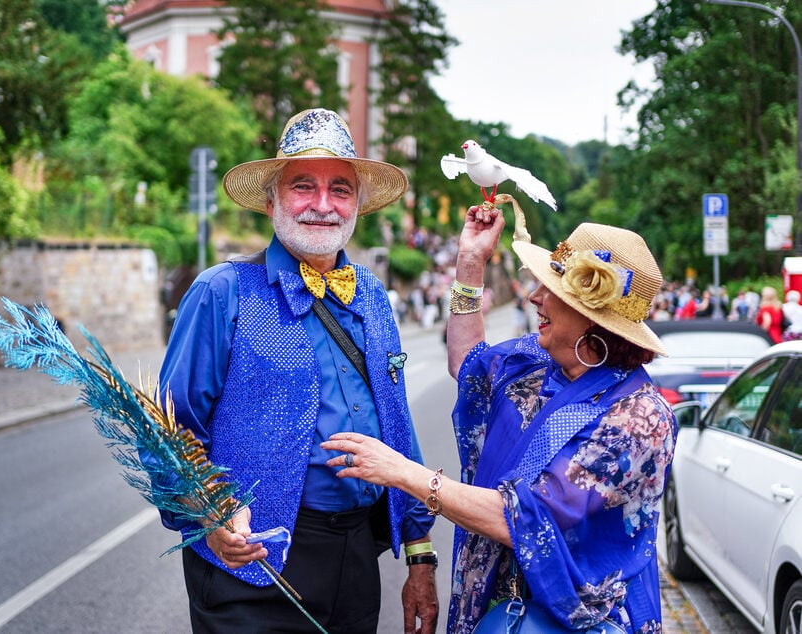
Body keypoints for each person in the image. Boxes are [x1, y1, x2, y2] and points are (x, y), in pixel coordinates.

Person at [141, 108, 438, 633]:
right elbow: (167, 429)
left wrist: (420, 556)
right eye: (304, 186)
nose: (323, 205)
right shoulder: (222, 291)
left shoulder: (371, 294)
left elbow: (397, 426)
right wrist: (207, 521)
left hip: (354, 559)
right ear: (273, 199)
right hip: (249, 564)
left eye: (340, 189)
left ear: (358, 205)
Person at [322, 206, 677, 633]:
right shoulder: (535, 360)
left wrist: (404, 473)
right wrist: (470, 262)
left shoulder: (639, 418)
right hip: (500, 609)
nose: (534, 298)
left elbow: (523, 517)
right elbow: (467, 362)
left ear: (594, 321)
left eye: (552, 292)